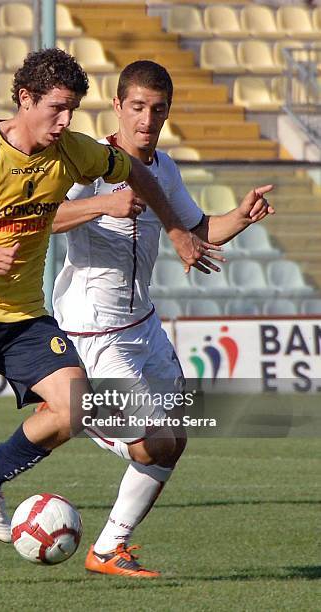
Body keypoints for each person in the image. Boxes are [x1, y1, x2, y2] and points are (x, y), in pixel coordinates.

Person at [0, 48, 220, 588]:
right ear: (25, 99)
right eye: (56, 109)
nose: (64, 122)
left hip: (23, 316)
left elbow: (132, 169)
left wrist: (177, 231)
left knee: (76, 406)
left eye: (73, 112)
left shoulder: (72, 153)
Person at [49, 60, 273, 577]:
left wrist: (241, 215)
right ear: (118, 107)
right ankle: (69, 415)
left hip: (142, 325)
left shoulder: (164, 168)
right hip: (92, 328)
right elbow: (44, 216)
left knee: (177, 432)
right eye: (138, 108)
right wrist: (103, 202)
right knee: (150, 440)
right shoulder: (89, 165)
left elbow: (198, 230)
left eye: (158, 109)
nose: (147, 120)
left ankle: (108, 548)